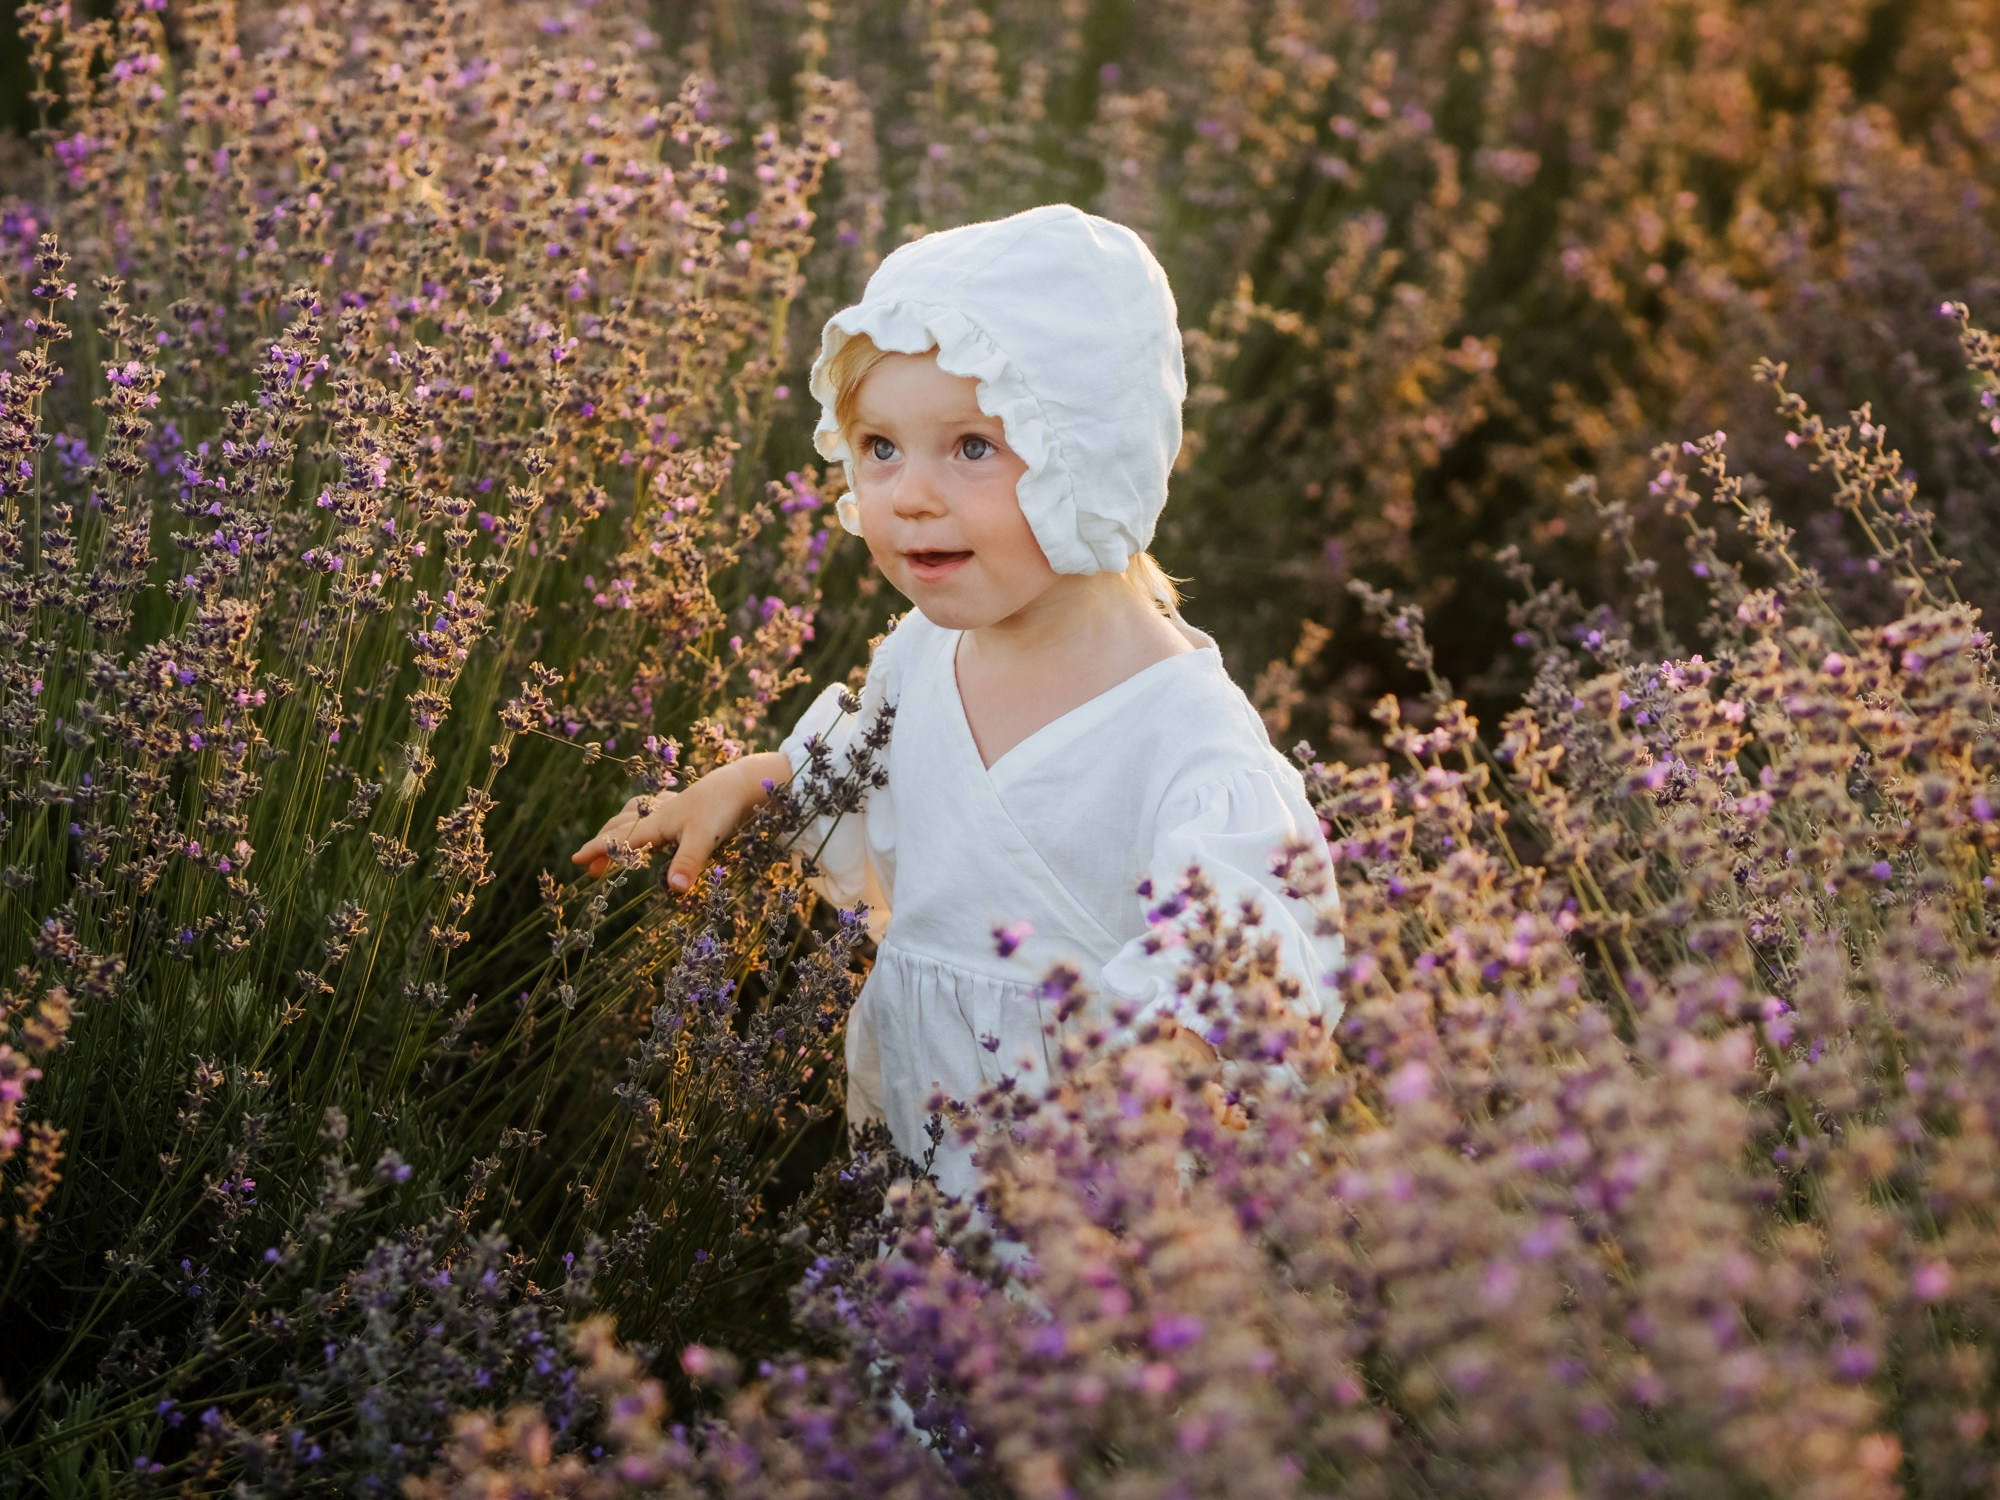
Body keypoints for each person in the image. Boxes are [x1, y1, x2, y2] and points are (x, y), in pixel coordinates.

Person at [573, 202, 1344, 1197]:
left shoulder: (1178, 731)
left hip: (1101, 1191)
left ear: (1085, 458)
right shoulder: (926, 652)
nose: (909, 496)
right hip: (933, 1137)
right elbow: (881, 792)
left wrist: (1167, 1069)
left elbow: (1248, 939)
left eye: (972, 446)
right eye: (880, 447)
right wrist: (758, 786)